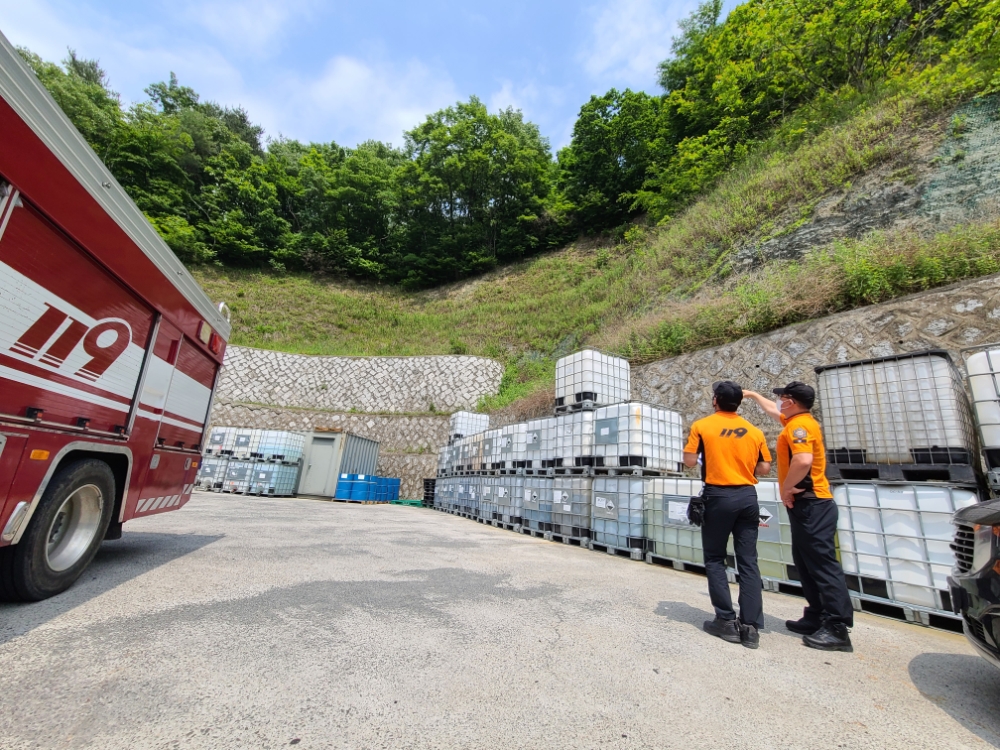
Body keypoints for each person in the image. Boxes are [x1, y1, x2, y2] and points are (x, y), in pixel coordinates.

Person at [743, 382, 855, 652]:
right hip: (807, 505)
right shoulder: (795, 420)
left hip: (813, 502)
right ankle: (817, 615)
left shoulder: (799, 427)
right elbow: (772, 411)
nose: (779, 402)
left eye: (782, 398)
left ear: (791, 401)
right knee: (806, 563)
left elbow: (803, 460)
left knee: (822, 563)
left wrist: (787, 488)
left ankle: (838, 627)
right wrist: (754, 395)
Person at [684, 381, 772, 649]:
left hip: (718, 497)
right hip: (748, 497)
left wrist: (708, 455)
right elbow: (765, 468)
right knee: (748, 561)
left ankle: (725, 621)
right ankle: (750, 626)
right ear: (738, 403)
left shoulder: (702, 426)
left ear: (715, 400)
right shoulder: (754, 432)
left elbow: (689, 460)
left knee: (714, 558)